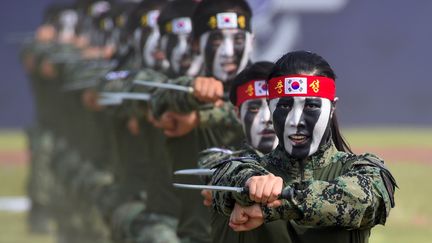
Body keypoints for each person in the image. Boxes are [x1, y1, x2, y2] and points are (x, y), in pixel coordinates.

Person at [211, 50, 397, 243]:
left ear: (332, 108)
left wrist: (273, 206)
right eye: (284, 106)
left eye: (311, 106)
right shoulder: (246, 169)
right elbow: (223, 178)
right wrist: (249, 183)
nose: (295, 121)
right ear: (270, 108)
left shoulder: (365, 172)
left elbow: (365, 199)